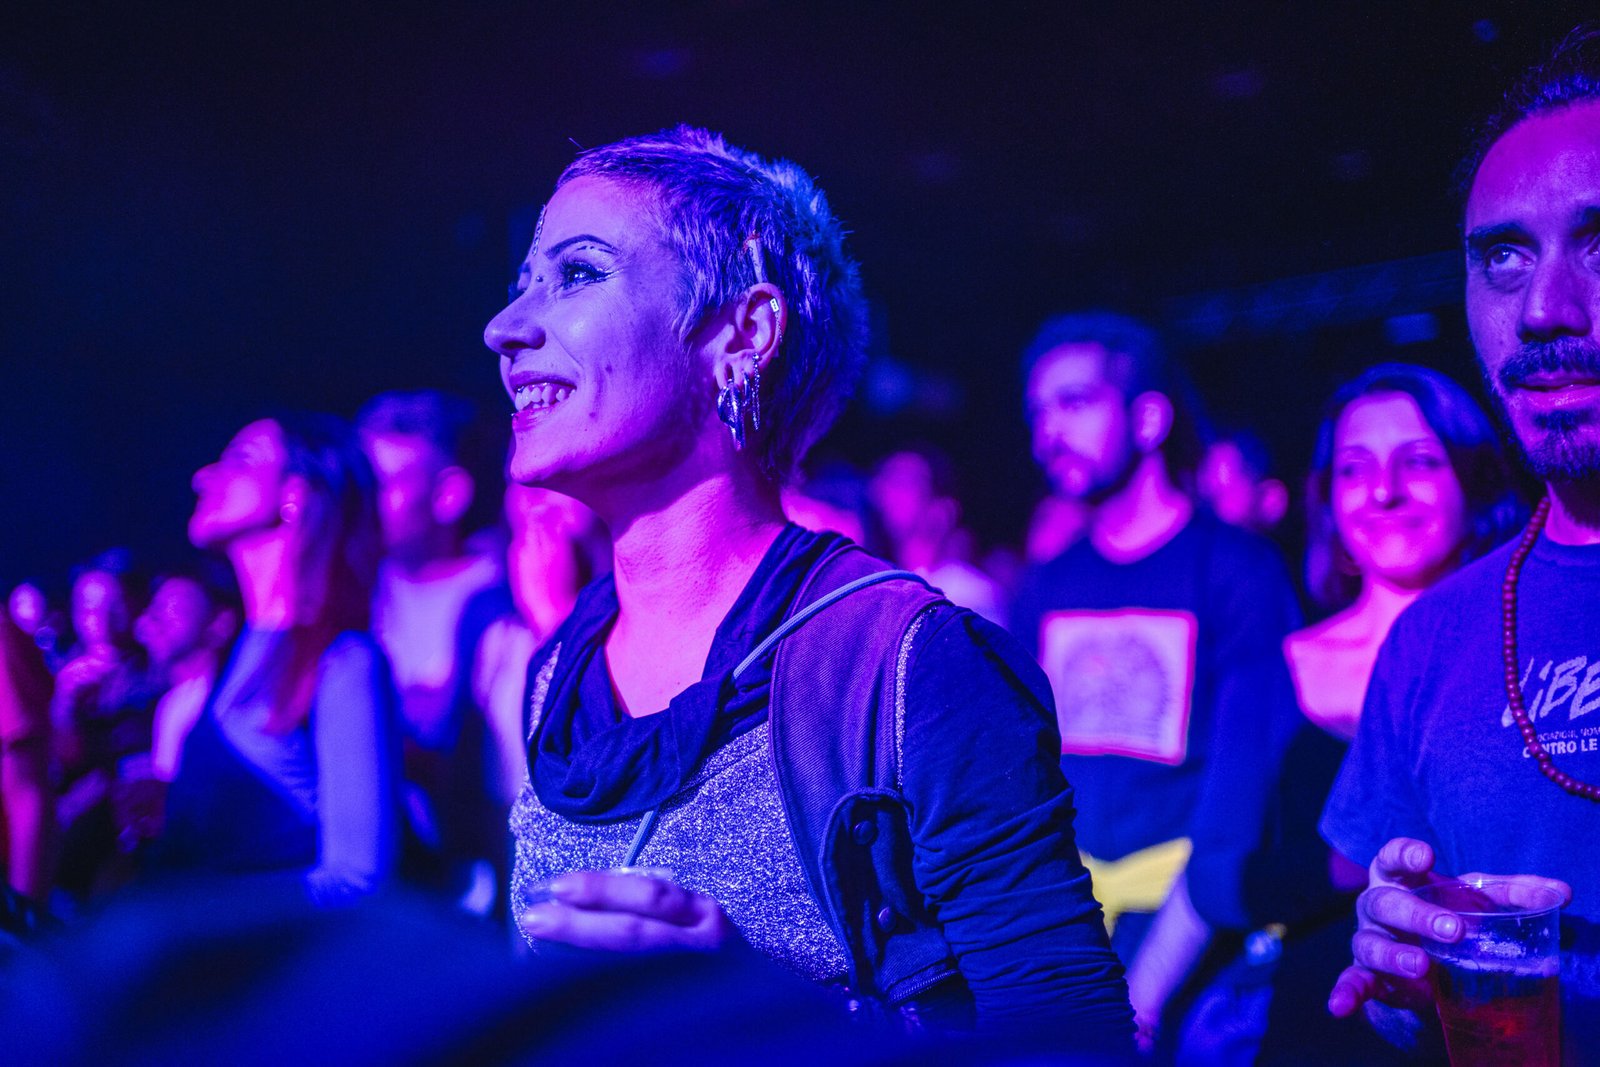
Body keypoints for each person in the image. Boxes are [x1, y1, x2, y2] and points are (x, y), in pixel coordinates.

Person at [483, 126, 1132, 1045]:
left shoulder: (911, 663)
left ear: (742, 334)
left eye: (578, 273)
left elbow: (1073, 1044)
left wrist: (774, 1015)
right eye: (522, 283)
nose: (505, 328)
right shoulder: (559, 671)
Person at [1320, 27, 1600, 1061]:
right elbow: (1404, 1009)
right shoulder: (1433, 636)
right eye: (1504, 258)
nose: (1545, 310)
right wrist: (1403, 973)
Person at [1006, 311, 1303, 1053]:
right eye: (1038, 412)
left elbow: (1237, 807)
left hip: (1202, 942)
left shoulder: (1237, 571)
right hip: (1078, 935)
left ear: (1148, 419)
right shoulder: (1045, 586)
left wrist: (1142, 998)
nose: (1049, 432)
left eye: (1076, 403)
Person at [1249, 364, 1519, 1064]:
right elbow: (1234, 876)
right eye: (1354, 468)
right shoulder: (1281, 664)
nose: (1384, 490)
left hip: (1484, 1021)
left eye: (1419, 461)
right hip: (1314, 1025)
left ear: (1476, 478)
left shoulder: (1528, 658)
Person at [154, 414, 400, 907]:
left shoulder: (343, 663)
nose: (202, 477)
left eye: (241, 459)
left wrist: (193, 914)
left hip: (265, 956)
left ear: (296, 496)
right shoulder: (233, 653)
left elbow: (357, 881)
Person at [356, 390, 513, 911]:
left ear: (448, 495)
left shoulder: (501, 596)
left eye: (384, 483)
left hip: (471, 883)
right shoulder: (356, 596)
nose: (365, 501)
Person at [867, 446, 1007, 626]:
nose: (886, 492)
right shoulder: (881, 585)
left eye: (904, 482)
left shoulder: (969, 593)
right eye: (885, 480)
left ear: (942, 508)